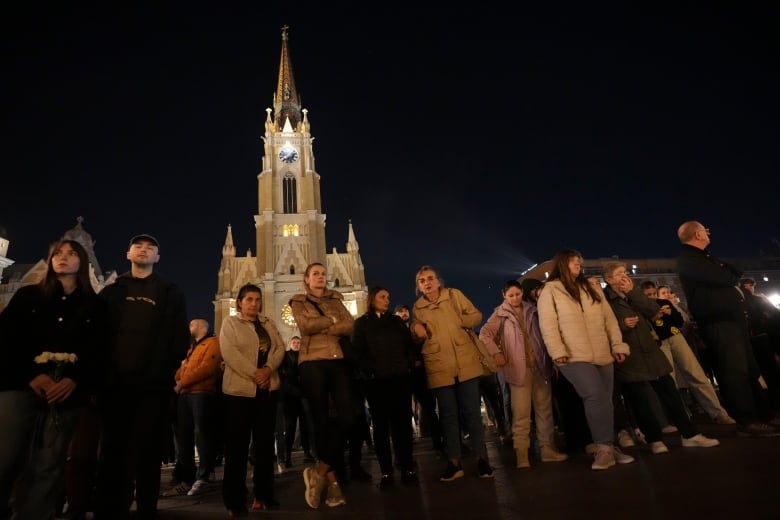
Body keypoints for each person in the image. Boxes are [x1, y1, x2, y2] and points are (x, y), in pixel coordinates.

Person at [0, 239, 106, 520]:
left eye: (71, 254)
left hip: (67, 393)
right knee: (6, 456)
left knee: (49, 462)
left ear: (82, 261)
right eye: (57, 253)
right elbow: (8, 341)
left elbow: (97, 350)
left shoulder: (94, 306)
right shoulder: (28, 296)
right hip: (20, 387)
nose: (63, 258)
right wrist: (32, 375)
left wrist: (74, 379)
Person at [93, 234, 190, 520]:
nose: (144, 250)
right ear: (128, 253)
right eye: (139, 246)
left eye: (150, 248)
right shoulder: (112, 292)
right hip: (115, 387)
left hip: (152, 388)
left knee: (148, 453)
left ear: (157, 257)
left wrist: (163, 373)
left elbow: (178, 336)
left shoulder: (170, 292)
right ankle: (110, 509)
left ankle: (147, 508)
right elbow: (97, 335)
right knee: (112, 453)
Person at [602, 262, 720, 455]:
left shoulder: (635, 293)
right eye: (618, 274)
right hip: (630, 355)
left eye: (625, 272)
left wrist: (633, 293)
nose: (624, 276)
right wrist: (622, 324)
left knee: (670, 393)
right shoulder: (604, 299)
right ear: (608, 279)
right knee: (641, 400)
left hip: (650, 350)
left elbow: (653, 311)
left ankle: (689, 435)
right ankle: (654, 439)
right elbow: (603, 325)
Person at [676, 221, 778, 437]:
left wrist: (726, 270)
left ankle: (764, 415)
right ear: (697, 233)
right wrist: (724, 270)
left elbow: (734, 272)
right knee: (734, 372)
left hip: (733, 322)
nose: (709, 233)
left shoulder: (704, 258)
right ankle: (747, 421)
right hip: (719, 323)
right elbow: (726, 277)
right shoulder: (689, 259)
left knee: (750, 371)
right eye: (705, 230)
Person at [536, 249, 634, 470]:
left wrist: (617, 345)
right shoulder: (550, 290)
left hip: (602, 352)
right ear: (562, 264)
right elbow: (548, 324)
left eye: (579, 262)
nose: (578, 265)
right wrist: (557, 350)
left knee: (605, 400)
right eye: (573, 262)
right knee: (594, 395)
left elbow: (609, 320)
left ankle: (608, 446)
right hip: (572, 354)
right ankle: (603, 448)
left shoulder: (590, 287)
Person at [410, 266, 494, 481]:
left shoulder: (454, 295)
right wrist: (416, 332)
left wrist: (461, 322)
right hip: (439, 365)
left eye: (430, 278)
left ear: (438, 281)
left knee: (472, 413)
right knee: (448, 415)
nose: (427, 283)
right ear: (418, 287)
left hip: (465, 361)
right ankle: (454, 462)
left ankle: (481, 459)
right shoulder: (417, 308)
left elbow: (476, 315)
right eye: (422, 281)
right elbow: (418, 336)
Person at [479, 280, 568, 469]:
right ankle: (522, 454)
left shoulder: (533, 310)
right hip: (518, 370)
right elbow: (484, 334)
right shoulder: (500, 314)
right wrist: (497, 353)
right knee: (521, 413)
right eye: (510, 295)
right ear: (504, 296)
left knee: (545, 411)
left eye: (517, 294)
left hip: (539, 366)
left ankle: (547, 449)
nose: (514, 298)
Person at [290, 262, 355, 509]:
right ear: (306, 279)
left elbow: (350, 325)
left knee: (348, 417)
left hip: (337, 360)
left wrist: (324, 322)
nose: (320, 277)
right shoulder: (298, 301)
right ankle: (333, 483)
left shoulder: (336, 298)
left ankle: (318, 472)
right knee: (321, 421)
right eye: (315, 274)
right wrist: (331, 320)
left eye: (323, 273)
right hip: (311, 363)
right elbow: (304, 326)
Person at [219, 283, 285, 516]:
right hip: (239, 393)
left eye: (257, 300)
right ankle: (234, 499)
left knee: (265, 447)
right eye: (248, 299)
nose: (254, 304)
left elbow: (279, 348)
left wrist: (267, 369)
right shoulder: (230, 323)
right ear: (239, 302)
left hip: (266, 392)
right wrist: (256, 374)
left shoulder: (268, 323)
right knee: (236, 447)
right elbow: (230, 353)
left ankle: (264, 493)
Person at [639, 282, 735, 425]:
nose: (652, 297)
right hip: (659, 343)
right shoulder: (641, 308)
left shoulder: (664, 303)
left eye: (653, 293)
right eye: (648, 295)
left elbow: (679, 321)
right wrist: (653, 317)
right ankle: (678, 417)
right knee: (669, 381)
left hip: (676, 337)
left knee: (696, 374)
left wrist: (670, 313)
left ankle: (718, 412)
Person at [352, 286, 418, 488]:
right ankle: (386, 472)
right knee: (381, 428)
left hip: (399, 380)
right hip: (377, 383)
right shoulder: (362, 324)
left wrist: (407, 365)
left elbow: (409, 347)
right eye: (382, 297)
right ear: (372, 299)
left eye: (388, 297)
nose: (387, 300)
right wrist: (370, 372)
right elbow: (358, 352)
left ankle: (407, 467)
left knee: (403, 427)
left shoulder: (396, 322)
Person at [161, 318, 222, 497]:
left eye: (192, 324)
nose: (189, 327)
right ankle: (187, 478)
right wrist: (179, 379)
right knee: (183, 436)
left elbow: (206, 369)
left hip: (200, 394)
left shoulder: (213, 343)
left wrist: (181, 383)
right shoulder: (192, 347)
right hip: (186, 394)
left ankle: (204, 476)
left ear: (202, 327)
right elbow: (183, 368)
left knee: (201, 434)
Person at [398, 304, 443, 452]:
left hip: (417, 373)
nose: (404, 314)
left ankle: (437, 441)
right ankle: (408, 444)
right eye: (400, 312)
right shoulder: (396, 331)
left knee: (429, 407)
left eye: (405, 311)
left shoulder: (413, 327)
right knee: (405, 411)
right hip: (405, 374)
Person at [278, 336, 316, 468]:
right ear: (290, 344)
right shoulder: (285, 356)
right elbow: (283, 376)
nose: (296, 344)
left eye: (298, 342)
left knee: (305, 426)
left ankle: (307, 452)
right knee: (290, 427)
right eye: (294, 342)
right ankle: (287, 456)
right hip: (290, 396)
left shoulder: (304, 356)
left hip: (303, 395)